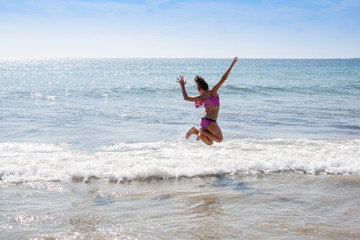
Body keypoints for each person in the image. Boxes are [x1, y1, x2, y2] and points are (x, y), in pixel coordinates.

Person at [177, 57, 238, 145]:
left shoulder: (200, 98)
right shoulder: (213, 92)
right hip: (211, 121)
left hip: (204, 121)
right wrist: (231, 65)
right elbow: (223, 78)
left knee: (210, 142)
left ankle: (195, 131)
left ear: (200, 89)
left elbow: (186, 98)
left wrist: (182, 85)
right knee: (219, 139)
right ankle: (202, 131)